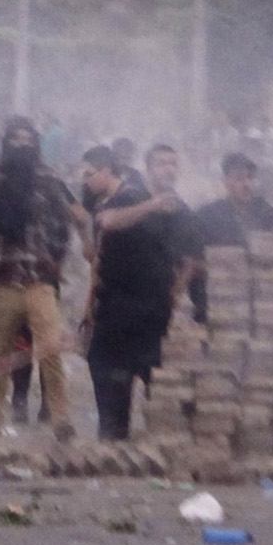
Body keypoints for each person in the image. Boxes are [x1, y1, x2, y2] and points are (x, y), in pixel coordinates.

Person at [0, 119, 78, 442]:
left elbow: (62, 223)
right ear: (6, 143)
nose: (22, 146)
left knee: (50, 350)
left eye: (28, 140)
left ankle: (61, 418)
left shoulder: (47, 179)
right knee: (1, 355)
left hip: (39, 281)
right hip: (2, 280)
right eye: (15, 140)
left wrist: (56, 258)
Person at [75, 147, 183, 441]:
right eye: (162, 163)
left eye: (173, 164)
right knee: (110, 380)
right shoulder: (132, 196)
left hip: (155, 313)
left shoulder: (178, 208)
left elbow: (188, 260)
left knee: (158, 385)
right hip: (117, 308)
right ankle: (112, 440)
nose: (168, 169)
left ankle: (158, 445)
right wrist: (89, 306)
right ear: (148, 168)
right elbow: (108, 222)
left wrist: (176, 299)